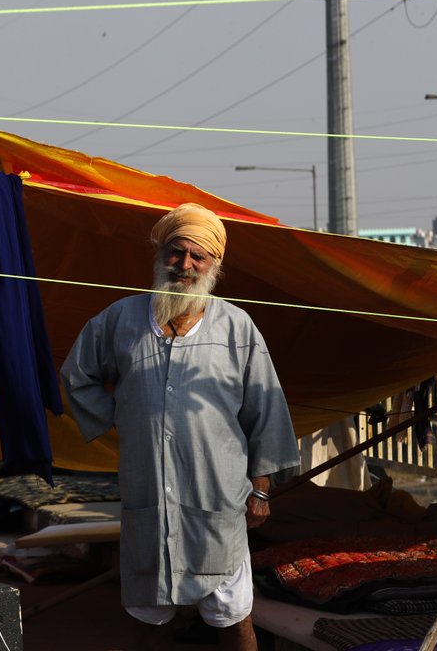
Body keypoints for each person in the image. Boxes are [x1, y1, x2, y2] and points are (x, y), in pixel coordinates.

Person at [60, 203, 299, 651]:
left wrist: (262, 490)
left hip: (218, 496)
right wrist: (124, 416)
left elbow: (265, 410)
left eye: (198, 256)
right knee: (148, 617)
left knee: (231, 614)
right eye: (176, 252)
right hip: (147, 490)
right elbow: (79, 375)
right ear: (160, 254)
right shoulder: (120, 320)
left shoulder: (236, 328)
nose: (185, 265)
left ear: (214, 265)